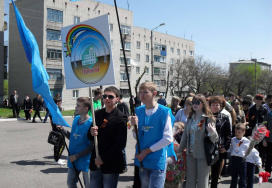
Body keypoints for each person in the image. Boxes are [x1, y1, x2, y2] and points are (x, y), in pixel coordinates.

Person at [130, 82, 176, 188]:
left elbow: (168, 138)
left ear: (154, 93)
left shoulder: (164, 111)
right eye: (140, 92)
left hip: (157, 159)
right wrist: (134, 127)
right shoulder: (138, 110)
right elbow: (136, 136)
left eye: (145, 92)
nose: (142, 95)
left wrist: (146, 151)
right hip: (141, 158)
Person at [88, 86, 127, 188]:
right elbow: (90, 136)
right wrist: (91, 132)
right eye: (105, 96)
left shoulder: (121, 117)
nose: (107, 99)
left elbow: (120, 144)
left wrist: (103, 159)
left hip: (111, 163)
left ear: (117, 99)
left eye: (110, 96)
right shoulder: (97, 114)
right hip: (95, 160)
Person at [178, 94, 218, 188]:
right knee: (190, 181)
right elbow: (185, 137)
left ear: (203, 104)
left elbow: (214, 139)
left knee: (202, 183)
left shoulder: (208, 118)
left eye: (197, 102)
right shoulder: (190, 118)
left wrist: (212, 133)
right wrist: (179, 151)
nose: (195, 105)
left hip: (203, 155)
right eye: (193, 102)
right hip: (190, 154)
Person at [59, 97, 93, 188]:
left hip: (85, 160)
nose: (75, 107)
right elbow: (73, 137)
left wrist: (77, 156)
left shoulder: (91, 123)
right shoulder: (76, 119)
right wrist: (62, 130)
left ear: (86, 109)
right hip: (72, 158)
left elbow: (91, 147)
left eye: (78, 106)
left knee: (88, 185)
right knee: (70, 183)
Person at [209, 96, 232, 188]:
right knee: (205, 173)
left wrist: (226, 147)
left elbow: (228, 134)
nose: (215, 107)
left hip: (219, 148)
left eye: (217, 105)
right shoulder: (205, 116)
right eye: (213, 105)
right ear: (209, 106)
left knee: (215, 173)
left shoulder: (225, 117)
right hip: (206, 148)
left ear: (221, 106)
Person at [228, 123, 250, 188]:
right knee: (234, 177)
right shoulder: (233, 140)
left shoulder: (246, 141)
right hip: (234, 159)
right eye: (236, 132)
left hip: (242, 161)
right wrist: (225, 149)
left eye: (239, 132)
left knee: (242, 178)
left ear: (244, 132)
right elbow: (231, 148)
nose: (237, 134)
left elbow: (249, 150)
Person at [49, 98, 66, 165]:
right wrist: (56, 125)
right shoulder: (55, 109)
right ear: (57, 103)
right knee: (61, 144)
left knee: (57, 145)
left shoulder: (55, 109)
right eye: (60, 102)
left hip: (57, 128)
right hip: (58, 129)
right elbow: (52, 117)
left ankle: (57, 158)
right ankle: (57, 159)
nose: (61, 103)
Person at [263, 101, 272, 174]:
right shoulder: (268, 115)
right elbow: (264, 128)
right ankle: (267, 172)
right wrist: (264, 139)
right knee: (268, 157)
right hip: (269, 139)